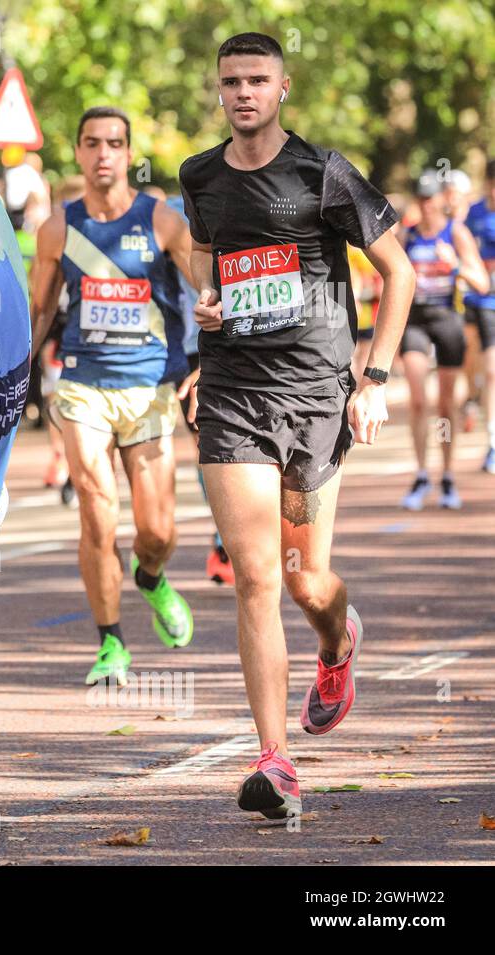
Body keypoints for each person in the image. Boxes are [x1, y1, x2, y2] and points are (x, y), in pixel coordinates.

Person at [180, 33, 415, 819]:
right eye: (230, 82)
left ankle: (337, 640)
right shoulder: (201, 176)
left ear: (283, 87)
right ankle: (275, 762)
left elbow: (401, 273)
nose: (243, 92)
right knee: (254, 576)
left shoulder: (325, 173)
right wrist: (207, 306)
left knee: (304, 579)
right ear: (219, 91)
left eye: (257, 80)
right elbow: (209, 265)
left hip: (316, 397)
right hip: (234, 392)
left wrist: (373, 378)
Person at [29, 106, 197, 688]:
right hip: (83, 386)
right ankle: (111, 643)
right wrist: (19, 377)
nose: (104, 154)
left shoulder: (164, 222)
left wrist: (210, 362)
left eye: (115, 144)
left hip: (150, 388)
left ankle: (150, 577)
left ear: (129, 154)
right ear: (77, 152)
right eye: (93, 143)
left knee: (158, 532)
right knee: (98, 515)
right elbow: (42, 308)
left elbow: (209, 291)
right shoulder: (56, 229)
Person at [398, 170, 489, 510]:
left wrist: (455, 267)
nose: (426, 206)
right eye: (420, 199)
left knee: (446, 404)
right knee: (419, 400)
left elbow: (481, 283)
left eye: (430, 199)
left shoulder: (456, 233)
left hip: (448, 319)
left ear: (441, 199)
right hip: (417, 321)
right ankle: (421, 473)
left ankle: (447, 474)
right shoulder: (407, 235)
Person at [167, 191, 233, 585]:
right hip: (188, 351)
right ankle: (224, 538)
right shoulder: (164, 220)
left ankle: (239, 534)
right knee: (208, 446)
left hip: (232, 342)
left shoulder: (235, 212)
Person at [463, 159, 495, 473]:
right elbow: (464, 249)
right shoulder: (474, 214)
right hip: (483, 301)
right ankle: (493, 443)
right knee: (487, 369)